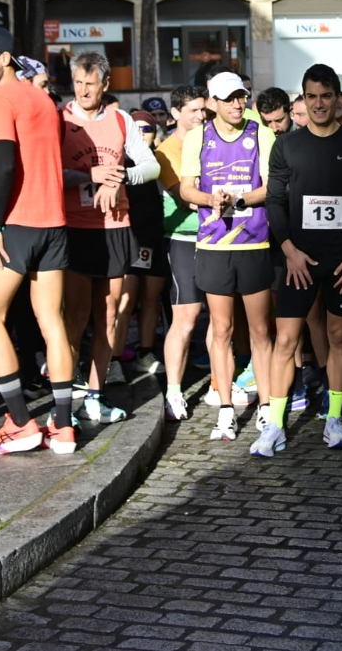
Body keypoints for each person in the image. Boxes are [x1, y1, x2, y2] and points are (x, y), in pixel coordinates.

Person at [0, 26, 79, 458]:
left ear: (5, 58)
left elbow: (6, 165)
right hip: (53, 224)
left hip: (15, 225)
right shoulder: (42, 98)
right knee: (52, 322)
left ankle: (20, 422)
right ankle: (63, 427)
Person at [263, 64, 342, 454]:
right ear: (303, 98)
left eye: (326, 96)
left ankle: (334, 419)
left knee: (338, 336)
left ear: (339, 98)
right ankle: (275, 424)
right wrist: (288, 249)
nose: (318, 104)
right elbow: (275, 201)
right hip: (298, 259)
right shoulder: (287, 146)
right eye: (311, 96)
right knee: (286, 339)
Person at [59, 52, 161, 425]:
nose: (84, 90)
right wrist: (91, 175)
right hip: (75, 227)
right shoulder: (61, 119)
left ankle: (95, 395)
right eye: (78, 83)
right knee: (75, 317)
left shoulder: (120, 120)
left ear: (105, 84)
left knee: (109, 316)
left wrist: (120, 176)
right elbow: (51, 172)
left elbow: (150, 166)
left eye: (91, 83)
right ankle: (65, 400)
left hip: (116, 228)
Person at [179, 71, 278, 444]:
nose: (238, 103)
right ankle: (225, 409)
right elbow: (188, 186)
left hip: (253, 243)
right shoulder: (198, 137)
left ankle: (267, 408)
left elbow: (269, 187)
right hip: (214, 245)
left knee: (259, 331)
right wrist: (210, 200)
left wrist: (239, 201)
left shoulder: (261, 134)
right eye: (229, 98)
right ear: (213, 102)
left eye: (242, 96)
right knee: (221, 330)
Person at [157, 85, 211, 421]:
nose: (201, 116)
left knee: (222, 318)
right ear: (176, 113)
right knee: (186, 318)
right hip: (183, 238)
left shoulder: (212, 140)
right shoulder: (166, 150)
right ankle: (174, 391)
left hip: (218, 235)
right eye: (193, 110)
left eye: (203, 110)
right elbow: (184, 195)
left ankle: (222, 383)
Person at [124, 110, 167, 379]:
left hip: (155, 237)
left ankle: (145, 351)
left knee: (151, 300)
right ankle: (113, 359)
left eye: (147, 129)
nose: (141, 134)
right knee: (124, 302)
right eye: (136, 128)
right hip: (127, 240)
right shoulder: (123, 161)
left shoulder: (162, 159)